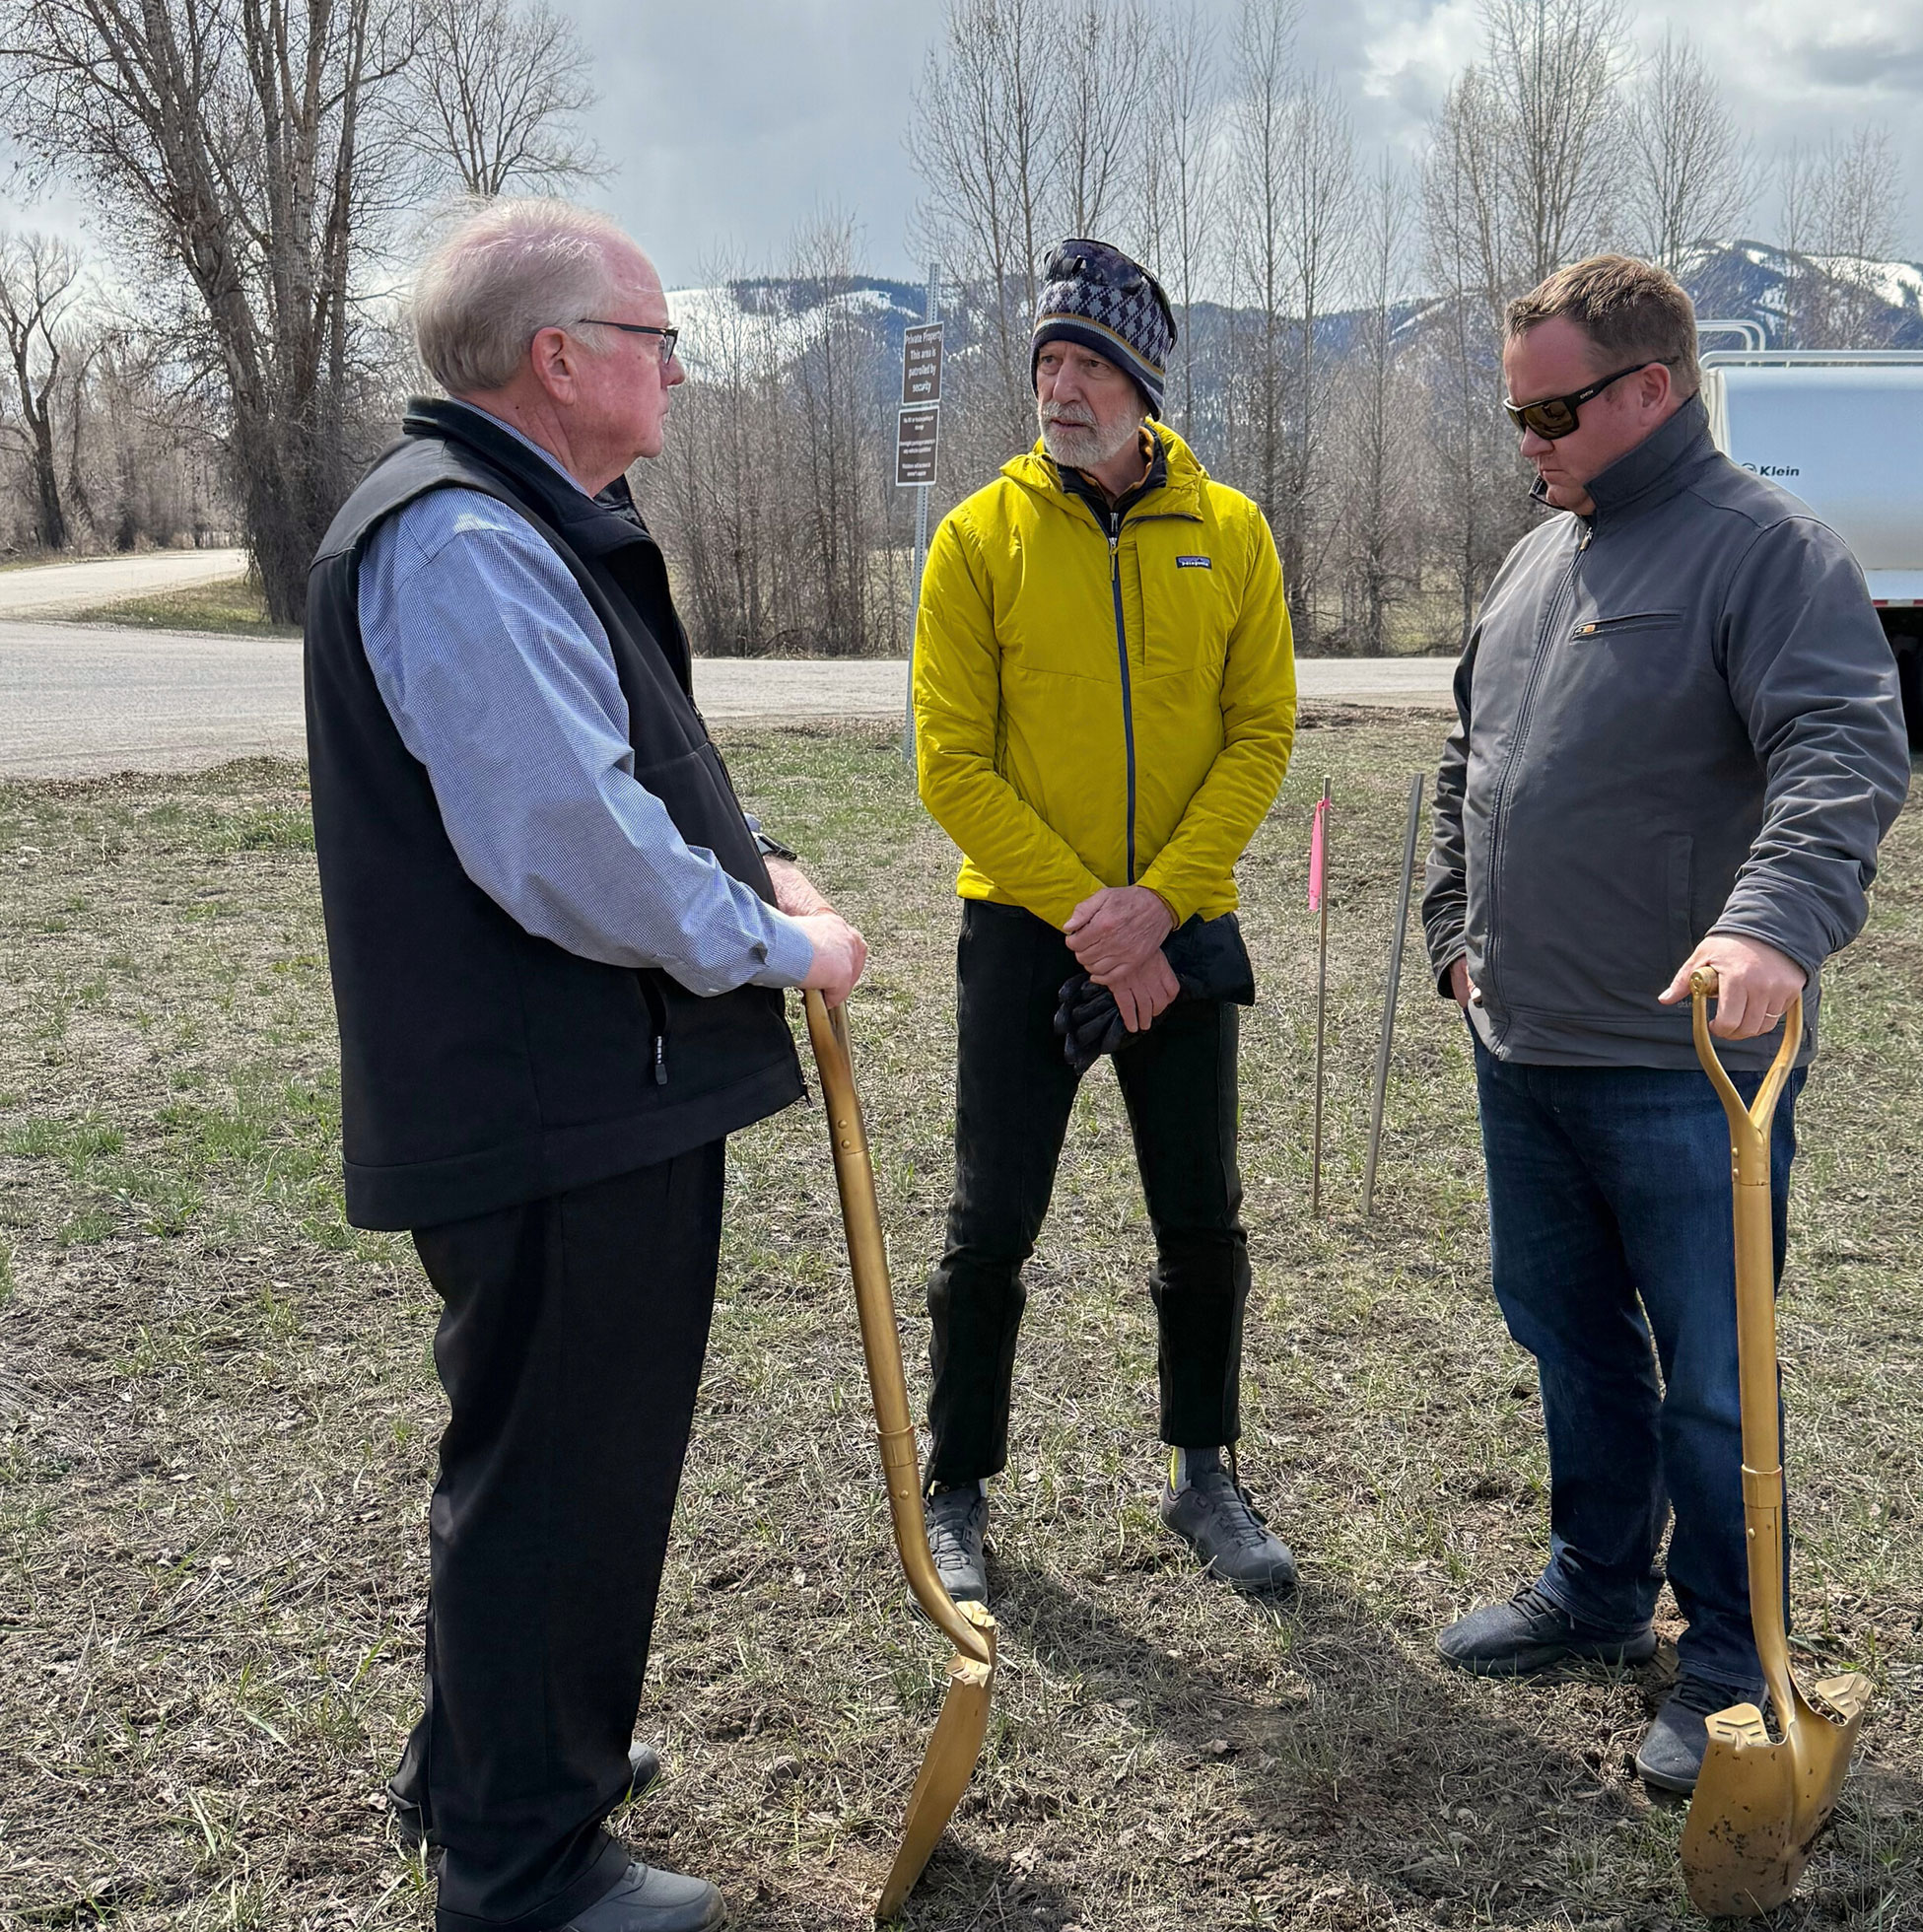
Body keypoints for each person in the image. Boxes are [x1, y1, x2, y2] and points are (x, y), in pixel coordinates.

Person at [304, 198, 866, 1932]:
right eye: (652, 339)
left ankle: (482, 1772)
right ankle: (525, 1867)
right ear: (559, 360)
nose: (676, 370)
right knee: (564, 1471)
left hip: (569, 1087)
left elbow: (624, 762)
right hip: (555, 1103)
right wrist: (781, 945)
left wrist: (752, 858)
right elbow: (564, 842)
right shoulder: (465, 537)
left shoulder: (531, 520)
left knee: (538, 1451)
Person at [1420, 254, 1909, 1795]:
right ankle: (1595, 1585)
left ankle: (1725, 1665)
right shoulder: (1530, 562)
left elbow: (1838, 747)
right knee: (1564, 1330)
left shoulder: (1766, 553)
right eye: (1515, 415)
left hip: (1687, 1071)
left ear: (1651, 389)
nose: (1529, 443)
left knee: (1714, 1368)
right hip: (1526, 1044)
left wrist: (1769, 922)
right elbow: (1468, 761)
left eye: (1552, 411)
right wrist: (1455, 936)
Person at [910, 238, 1298, 1602]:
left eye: (1086, 363)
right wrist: (1092, 917)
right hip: (1027, 926)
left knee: (1201, 1215)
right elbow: (949, 763)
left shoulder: (1233, 533)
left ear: (1142, 384)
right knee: (988, 1222)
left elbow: (1260, 736)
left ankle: (1205, 1474)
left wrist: (1159, 908)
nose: (1059, 387)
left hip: (1179, 917)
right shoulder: (976, 538)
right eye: (1046, 362)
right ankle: (953, 1491)